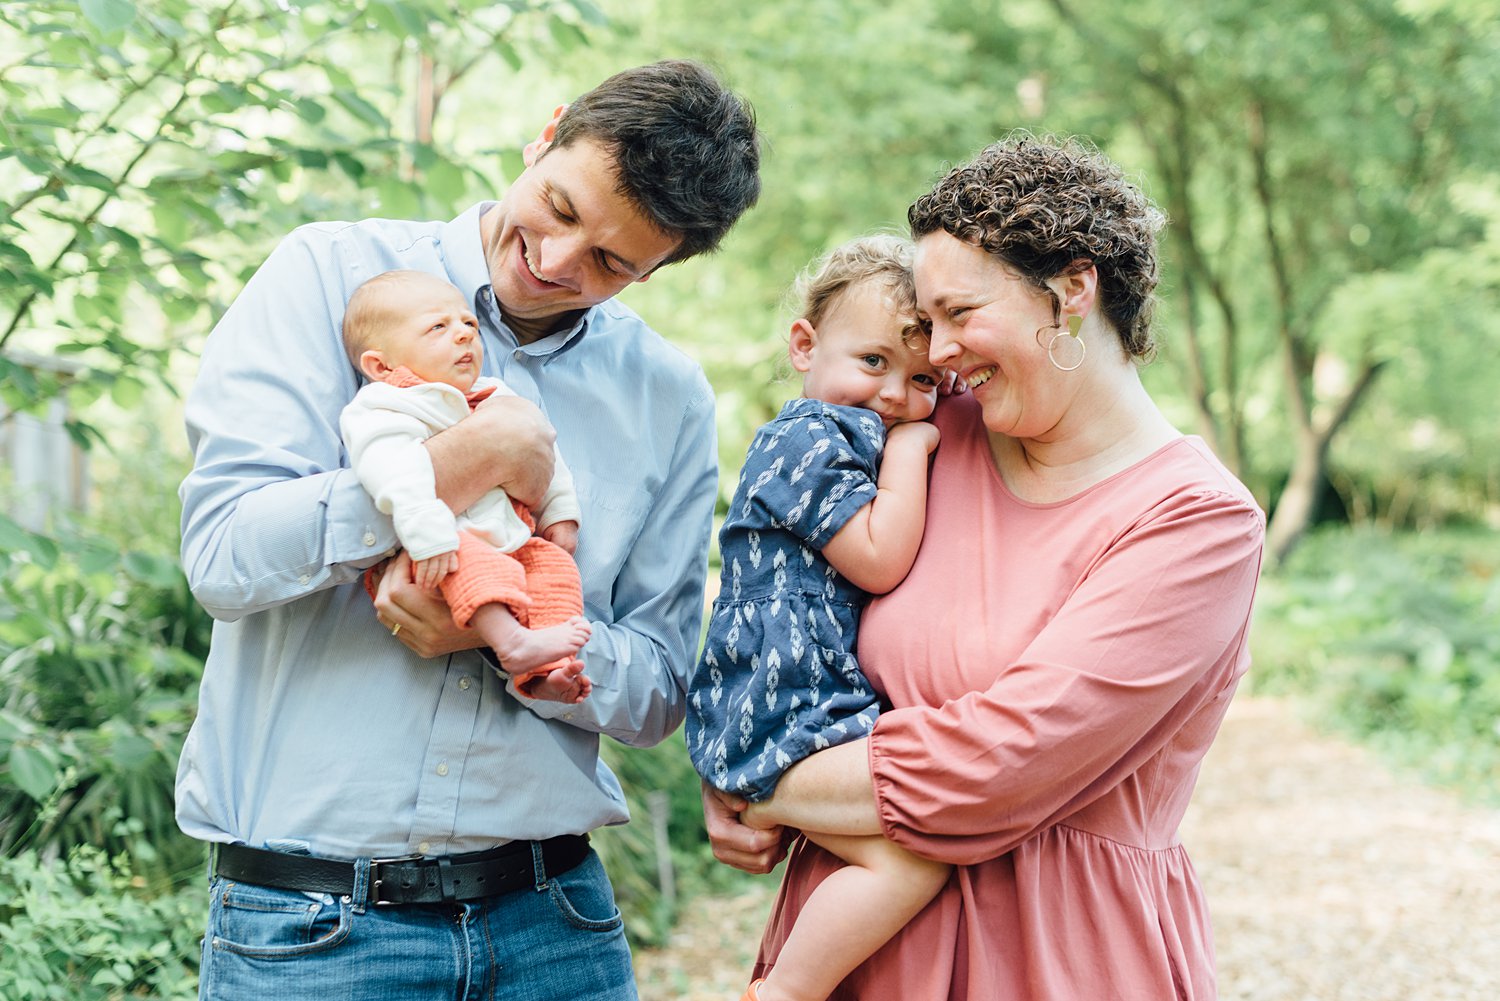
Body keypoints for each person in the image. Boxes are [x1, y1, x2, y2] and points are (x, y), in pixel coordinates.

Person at [176, 60, 759, 1001]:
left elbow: (657, 686)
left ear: (662, 266)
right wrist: (462, 465)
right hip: (313, 931)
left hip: (557, 926)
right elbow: (221, 554)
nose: (559, 262)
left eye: (613, 263)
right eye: (560, 207)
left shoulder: (670, 398)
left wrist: (514, 645)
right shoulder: (328, 276)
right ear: (548, 132)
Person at [703, 134, 1266, 1000]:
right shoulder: (928, 432)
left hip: (1055, 954)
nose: (941, 351)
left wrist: (773, 786)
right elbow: (777, 584)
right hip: (859, 953)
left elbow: (998, 765)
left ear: (1073, 289)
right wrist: (730, 763)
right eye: (927, 324)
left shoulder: (1197, 522)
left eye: (961, 314)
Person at [685, 236, 949, 1001]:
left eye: (924, 378)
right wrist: (915, 449)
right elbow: (879, 557)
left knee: (907, 848)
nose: (896, 394)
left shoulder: (847, 433)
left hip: (801, 703)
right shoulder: (807, 435)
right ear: (805, 343)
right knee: (916, 852)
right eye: (873, 361)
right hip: (780, 708)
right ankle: (784, 991)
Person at [339, 269, 592, 703]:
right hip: (437, 545)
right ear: (381, 365)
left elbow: (547, 451)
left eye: (468, 325)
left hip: (510, 538)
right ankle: (511, 643)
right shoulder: (382, 407)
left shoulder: (493, 393)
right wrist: (428, 531)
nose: (463, 335)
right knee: (472, 562)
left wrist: (560, 512)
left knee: (554, 570)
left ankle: (547, 671)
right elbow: (392, 469)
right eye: (438, 327)